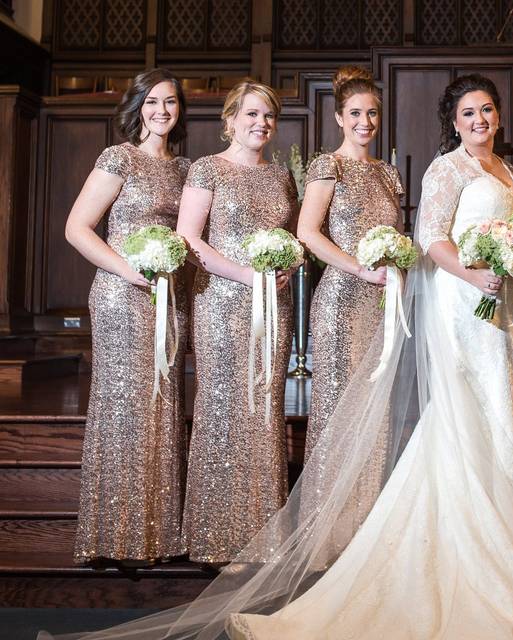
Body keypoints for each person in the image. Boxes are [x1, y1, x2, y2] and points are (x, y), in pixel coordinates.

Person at [42, 77, 513, 640]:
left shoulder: (500, 174)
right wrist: (464, 273)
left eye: (487, 111)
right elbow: (426, 239)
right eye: (467, 113)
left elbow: (473, 235)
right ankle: (312, 536)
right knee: (445, 408)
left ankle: (500, 538)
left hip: (489, 308)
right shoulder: (430, 169)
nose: (480, 121)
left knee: (493, 407)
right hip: (446, 300)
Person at [65, 68, 190, 565]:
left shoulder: (184, 170)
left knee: (162, 401)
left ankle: (154, 534)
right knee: (124, 405)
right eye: (154, 101)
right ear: (138, 106)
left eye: (171, 103)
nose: (163, 111)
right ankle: (113, 535)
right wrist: (129, 270)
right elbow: (77, 228)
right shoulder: (118, 159)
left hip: (168, 295)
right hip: (122, 295)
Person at [176, 81, 298, 564]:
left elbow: (291, 239)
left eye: (268, 116)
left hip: (274, 305)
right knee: (224, 404)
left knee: (265, 404)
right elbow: (189, 240)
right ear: (230, 120)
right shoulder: (208, 169)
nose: (260, 124)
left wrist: (290, 264)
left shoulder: (283, 177)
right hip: (221, 303)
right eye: (251, 114)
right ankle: (212, 534)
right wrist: (247, 276)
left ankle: (262, 533)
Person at [297, 66, 403, 536]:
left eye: (372, 113)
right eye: (355, 113)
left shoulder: (388, 172)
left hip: (383, 303)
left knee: (375, 408)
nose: (365, 121)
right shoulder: (328, 166)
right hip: (341, 301)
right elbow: (307, 232)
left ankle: (369, 525)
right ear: (340, 117)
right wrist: (359, 268)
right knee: (340, 408)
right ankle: (332, 529)